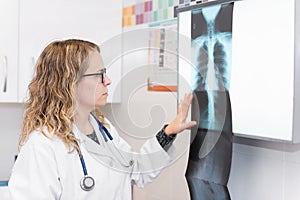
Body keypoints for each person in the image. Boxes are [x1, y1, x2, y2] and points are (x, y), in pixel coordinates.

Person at [8, 39, 196, 200]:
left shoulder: (103, 129)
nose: (107, 81)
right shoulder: (43, 145)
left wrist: (168, 132)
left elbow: (136, 170)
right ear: (70, 82)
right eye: (99, 75)